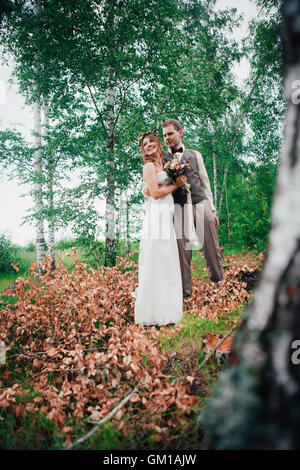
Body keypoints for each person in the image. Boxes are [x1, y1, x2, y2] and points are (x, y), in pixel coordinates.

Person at [161, 119, 225, 299]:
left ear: (180, 132)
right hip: (178, 207)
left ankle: (220, 285)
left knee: (211, 246)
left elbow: (205, 182)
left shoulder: (195, 154)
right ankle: (185, 295)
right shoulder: (162, 158)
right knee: (182, 251)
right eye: (164, 135)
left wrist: (212, 209)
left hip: (200, 203)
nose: (167, 138)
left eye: (170, 134)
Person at [133, 132, 185, 326]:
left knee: (167, 261)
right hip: (156, 218)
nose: (148, 145)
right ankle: (150, 314)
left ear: (157, 143)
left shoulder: (163, 165)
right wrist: (175, 186)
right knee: (154, 262)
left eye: (151, 142)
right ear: (143, 150)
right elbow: (154, 193)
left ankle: (166, 312)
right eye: (145, 144)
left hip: (166, 217)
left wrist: (176, 180)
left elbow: (152, 188)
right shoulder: (148, 167)